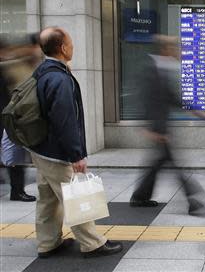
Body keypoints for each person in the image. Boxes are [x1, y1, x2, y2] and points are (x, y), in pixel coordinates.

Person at [28, 27, 122, 258]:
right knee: (76, 198)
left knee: (47, 200)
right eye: (70, 43)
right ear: (62, 47)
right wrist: (76, 155)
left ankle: (47, 243)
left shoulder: (42, 72)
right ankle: (93, 244)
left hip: (40, 149)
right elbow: (65, 121)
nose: (73, 47)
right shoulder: (59, 79)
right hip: (57, 153)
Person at [129, 35, 205, 215]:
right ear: (165, 49)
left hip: (161, 127)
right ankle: (193, 200)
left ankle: (140, 196)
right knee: (173, 163)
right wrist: (151, 130)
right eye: (174, 47)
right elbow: (145, 100)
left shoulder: (162, 68)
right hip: (158, 128)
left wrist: (195, 110)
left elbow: (171, 98)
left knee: (159, 162)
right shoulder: (151, 69)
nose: (178, 51)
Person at [0, 34, 39, 202]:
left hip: (9, 116)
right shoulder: (9, 66)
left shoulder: (12, 64)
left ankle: (17, 190)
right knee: (14, 153)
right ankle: (17, 190)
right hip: (7, 117)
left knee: (15, 153)